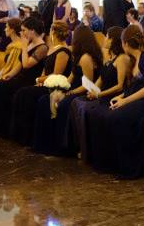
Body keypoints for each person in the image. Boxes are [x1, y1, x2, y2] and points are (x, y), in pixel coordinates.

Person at [83, 26, 144, 179]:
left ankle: (135, 167)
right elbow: (132, 88)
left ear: (125, 43)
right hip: (140, 101)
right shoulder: (134, 60)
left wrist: (125, 100)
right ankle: (112, 163)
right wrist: (121, 97)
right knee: (105, 113)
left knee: (117, 117)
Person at [32, 25, 103, 155]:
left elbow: (88, 84)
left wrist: (70, 92)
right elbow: (71, 77)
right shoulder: (78, 56)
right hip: (73, 89)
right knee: (45, 100)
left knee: (62, 104)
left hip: (82, 91)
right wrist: (61, 87)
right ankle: (47, 143)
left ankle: (64, 146)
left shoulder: (86, 58)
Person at [69, 26, 131, 161]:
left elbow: (120, 86)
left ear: (113, 40)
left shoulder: (122, 59)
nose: (104, 39)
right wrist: (93, 90)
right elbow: (101, 78)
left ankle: (94, 152)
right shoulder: (109, 57)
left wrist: (99, 95)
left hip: (113, 96)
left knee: (88, 109)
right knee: (76, 103)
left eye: (107, 36)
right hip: (102, 94)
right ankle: (82, 147)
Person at [0, 16, 49, 136]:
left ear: (32, 30)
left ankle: (5, 129)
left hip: (30, 80)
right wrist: (9, 75)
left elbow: (26, 64)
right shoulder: (29, 43)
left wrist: (24, 47)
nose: (21, 33)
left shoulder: (42, 47)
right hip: (20, 77)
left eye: (24, 30)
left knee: (2, 90)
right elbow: (19, 64)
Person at [10, 21, 72, 144]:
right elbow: (45, 70)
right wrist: (40, 79)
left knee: (25, 94)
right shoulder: (52, 49)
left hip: (55, 85)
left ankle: (28, 137)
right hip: (45, 82)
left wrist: (40, 80)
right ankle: (21, 135)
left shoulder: (63, 51)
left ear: (54, 33)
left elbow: (56, 74)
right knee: (21, 93)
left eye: (50, 31)